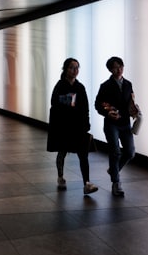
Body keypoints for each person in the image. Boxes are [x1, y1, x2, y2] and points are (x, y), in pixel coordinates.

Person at [46, 58, 98, 194]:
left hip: (77, 126)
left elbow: (85, 107)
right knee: (62, 151)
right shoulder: (60, 85)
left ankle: (87, 183)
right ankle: (60, 177)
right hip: (63, 125)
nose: (75, 70)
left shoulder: (80, 87)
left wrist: (86, 123)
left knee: (83, 154)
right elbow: (54, 102)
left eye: (77, 68)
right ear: (65, 69)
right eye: (72, 68)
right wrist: (68, 100)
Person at [94, 56, 137, 196]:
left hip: (125, 123)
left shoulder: (128, 84)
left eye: (120, 67)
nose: (118, 70)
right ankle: (116, 183)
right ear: (110, 70)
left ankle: (114, 169)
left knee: (130, 152)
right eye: (115, 67)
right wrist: (107, 113)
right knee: (115, 151)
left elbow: (131, 102)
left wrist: (134, 110)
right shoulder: (105, 86)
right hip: (111, 124)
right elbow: (98, 104)